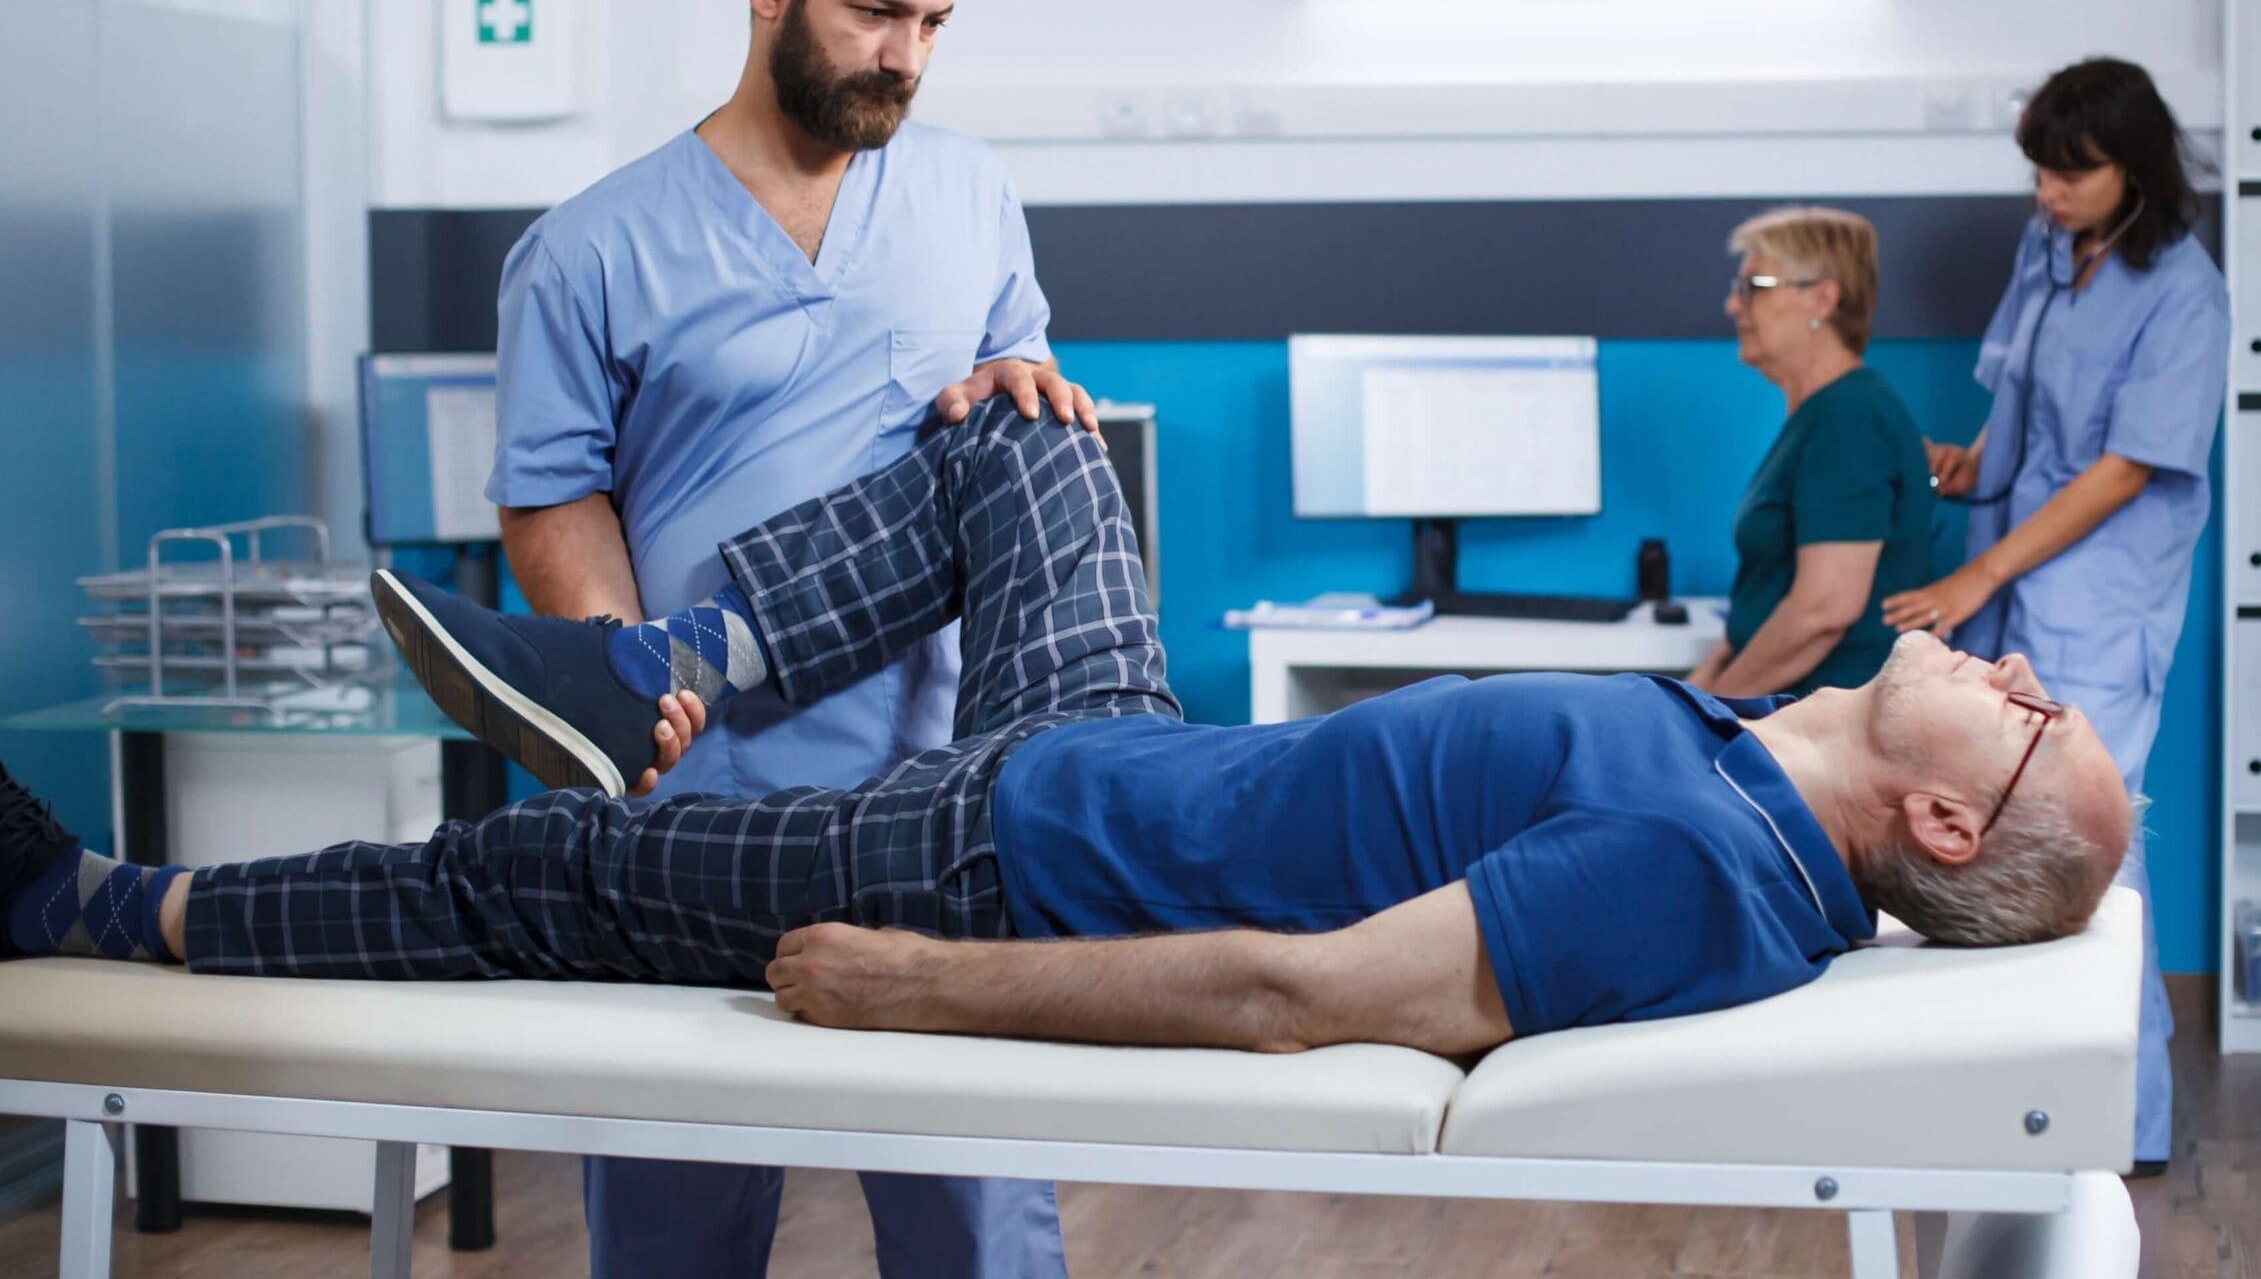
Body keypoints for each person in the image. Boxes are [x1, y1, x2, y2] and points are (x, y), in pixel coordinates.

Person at [3, 405, 2133, 1058]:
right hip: (1118, 747)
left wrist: (925, 986)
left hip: (999, 867)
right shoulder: (1750, 764)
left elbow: (1302, 993)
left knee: (535, 876)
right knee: (1025, 436)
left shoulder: (1698, 873)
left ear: (1947, 824)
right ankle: (655, 669)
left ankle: (107, 903)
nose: (2023, 672)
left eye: (2034, 720)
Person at [485, 0, 1084, 1278]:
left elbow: (1016, 385)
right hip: (704, 785)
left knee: (974, 1215)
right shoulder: (589, 249)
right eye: (875, 12)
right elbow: (551, 495)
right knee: (674, 1216)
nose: (907, 56)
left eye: (932, 23)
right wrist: (630, 687)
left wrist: (1015, 383)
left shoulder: (969, 193)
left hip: (932, 783)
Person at [1879, 56, 2229, 1176]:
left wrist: (1978, 578)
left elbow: (2124, 466)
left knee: (2090, 849)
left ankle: (2124, 1129)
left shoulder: (2184, 293)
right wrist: (1968, 467)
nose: (2047, 192)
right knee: (1984, 843)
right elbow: (2023, 407)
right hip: (2012, 578)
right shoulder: (2048, 247)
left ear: (2136, 168)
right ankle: (2011, 1109)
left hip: (2096, 606)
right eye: (2038, 170)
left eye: (2072, 174)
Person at [1690, 208, 1937, 697]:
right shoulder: (1823, 415)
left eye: (1754, 287)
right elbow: (1761, 609)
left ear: (1822, 299)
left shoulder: (1849, 418)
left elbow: (1823, 612)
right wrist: (1684, 705)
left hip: (1832, 716)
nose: (1733, 305)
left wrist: (1711, 718)